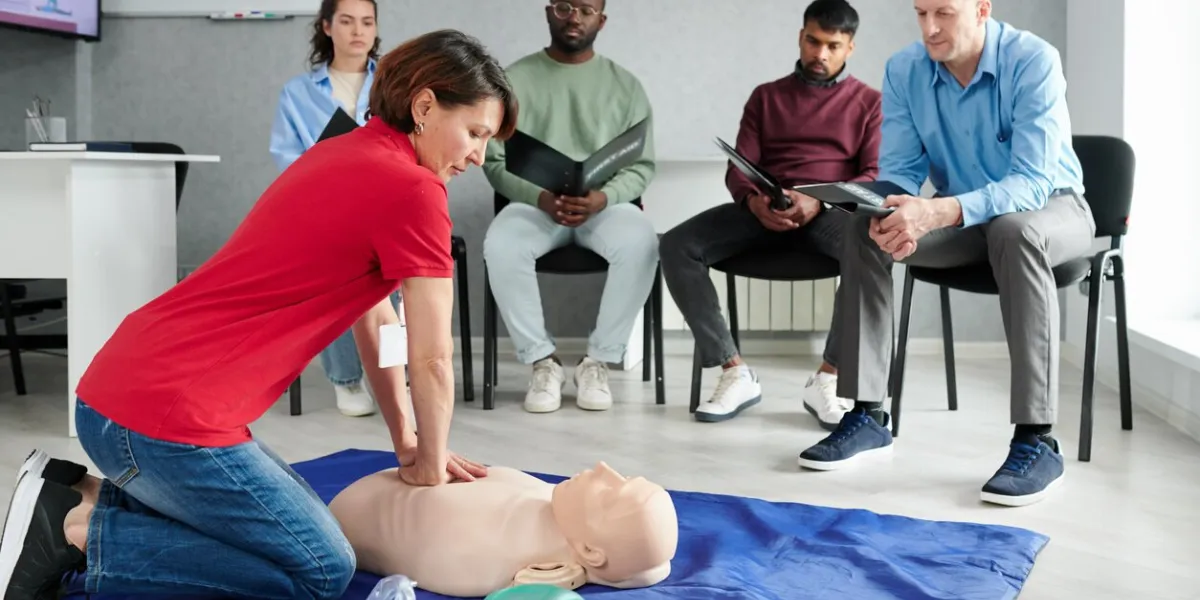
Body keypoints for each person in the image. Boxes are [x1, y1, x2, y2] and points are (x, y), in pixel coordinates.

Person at [1, 29, 517, 600]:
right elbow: (433, 355)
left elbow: (377, 320)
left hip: (119, 395)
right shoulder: (415, 192)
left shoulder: (341, 151)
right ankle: (77, 533)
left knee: (282, 540)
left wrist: (410, 442)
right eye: (475, 133)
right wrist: (429, 466)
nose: (478, 155)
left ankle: (79, 493)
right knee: (319, 569)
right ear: (424, 106)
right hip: (165, 422)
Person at [796, 0, 1094, 508]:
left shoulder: (1033, 60)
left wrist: (934, 214)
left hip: (1051, 210)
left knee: (1013, 231)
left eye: (944, 13)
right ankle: (868, 413)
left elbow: (1033, 181)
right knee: (865, 228)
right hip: (965, 216)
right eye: (921, 13)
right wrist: (875, 202)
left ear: (981, 9)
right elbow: (901, 173)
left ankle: (1037, 440)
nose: (930, 29)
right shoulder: (905, 69)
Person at [659, 0, 881, 425]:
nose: (820, 54)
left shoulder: (869, 103)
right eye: (813, 41)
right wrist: (754, 202)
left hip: (830, 211)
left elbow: (871, 175)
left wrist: (819, 199)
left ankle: (829, 377)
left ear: (850, 48)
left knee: (871, 250)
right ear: (801, 36)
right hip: (765, 208)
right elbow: (739, 165)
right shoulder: (766, 97)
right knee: (677, 244)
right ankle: (733, 370)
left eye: (833, 46)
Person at [482, 0, 658, 414]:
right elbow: (493, 161)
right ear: (548, 12)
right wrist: (538, 196)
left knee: (642, 242)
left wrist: (604, 197)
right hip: (536, 202)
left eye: (585, 8)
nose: (574, 17)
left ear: (601, 19)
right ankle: (542, 361)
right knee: (501, 244)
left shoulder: (626, 86)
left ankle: (597, 360)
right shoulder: (513, 80)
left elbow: (643, 165)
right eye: (563, 6)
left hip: (604, 206)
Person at [270, 0, 387, 417]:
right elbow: (288, 159)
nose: (358, 31)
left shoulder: (395, 84)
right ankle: (347, 379)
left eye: (367, 22)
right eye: (347, 21)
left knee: (405, 260)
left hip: (387, 206)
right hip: (326, 210)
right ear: (326, 27)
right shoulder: (298, 93)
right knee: (336, 262)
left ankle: (394, 371)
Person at [329, 461, 678, 597]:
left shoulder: (486, 557)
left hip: (347, 521)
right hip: (364, 500)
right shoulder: (560, 505)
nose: (603, 468)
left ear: (589, 552)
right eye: (625, 476)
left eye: (608, 494)